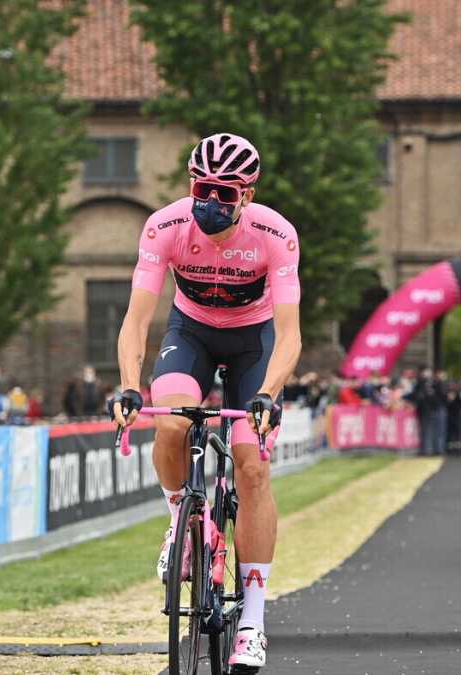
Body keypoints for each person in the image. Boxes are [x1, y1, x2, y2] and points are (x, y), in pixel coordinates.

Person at [110, 133, 299, 672]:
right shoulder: (165, 226)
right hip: (190, 331)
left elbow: (289, 334)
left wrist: (267, 394)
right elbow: (136, 319)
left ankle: (253, 622)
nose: (211, 202)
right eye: (201, 189)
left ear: (248, 194)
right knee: (169, 424)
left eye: (225, 193)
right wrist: (129, 383)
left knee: (253, 466)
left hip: (253, 341)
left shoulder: (274, 234)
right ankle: (180, 520)